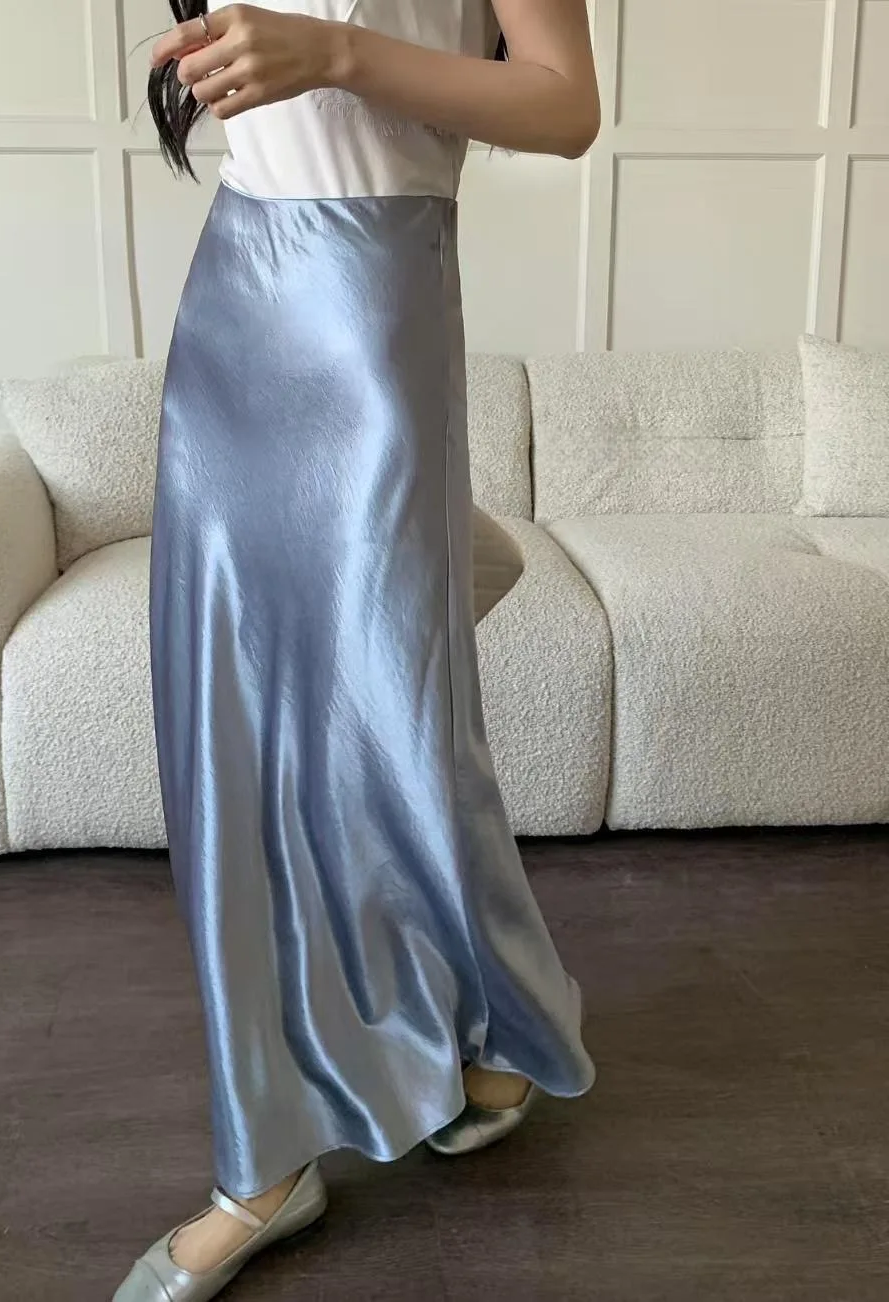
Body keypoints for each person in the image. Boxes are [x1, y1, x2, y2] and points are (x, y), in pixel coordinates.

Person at [116, 3, 600, 1298]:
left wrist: (333, 54)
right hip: (238, 291)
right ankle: (265, 1160)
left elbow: (567, 105)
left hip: (375, 296)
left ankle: (493, 1021)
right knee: (225, 717)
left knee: (400, 721)